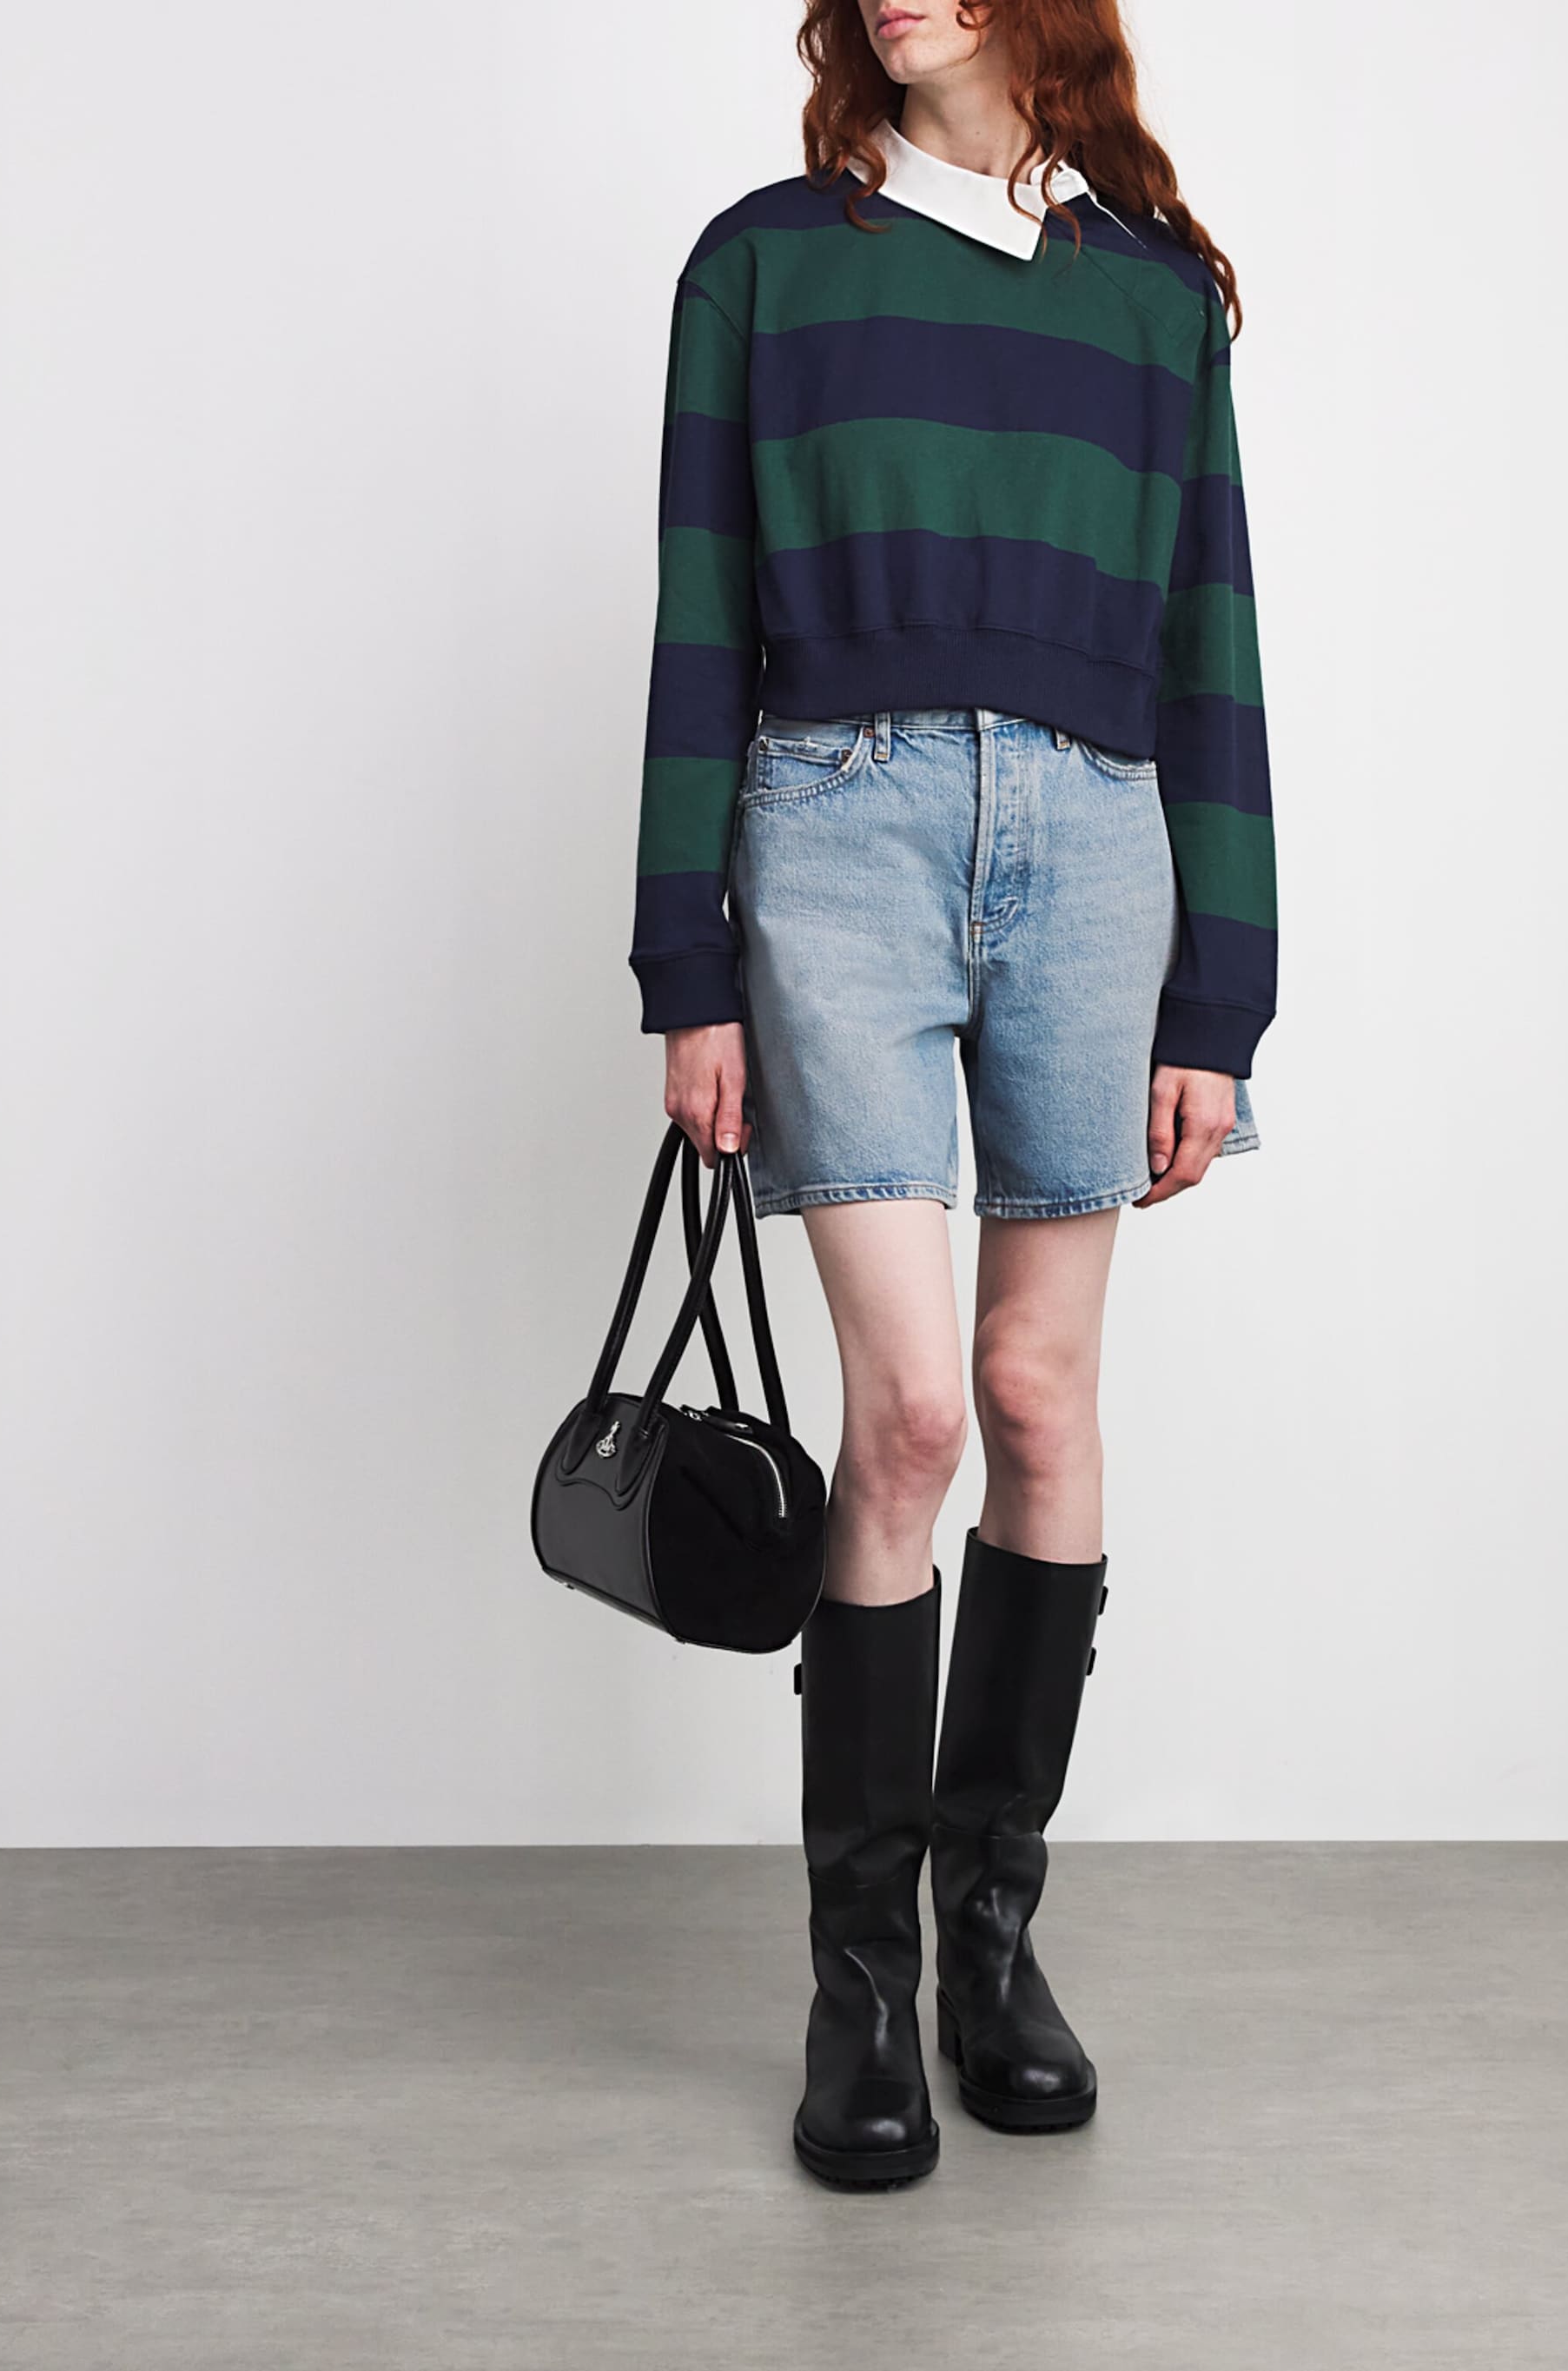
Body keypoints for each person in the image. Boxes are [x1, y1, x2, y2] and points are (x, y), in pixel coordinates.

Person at [627, 0, 1276, 2189]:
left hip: (1099, 843)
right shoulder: (762, 264)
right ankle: (859, 1991)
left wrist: (1225, 999)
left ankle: (992, 1944)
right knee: (906, 1414)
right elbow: (699, 621)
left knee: (1036, 1401)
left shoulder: (1154, 297)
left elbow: (1211, 647)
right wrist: (688, 958)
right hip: (838, 831)